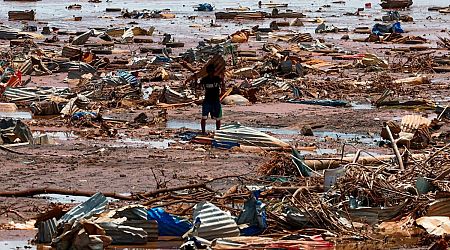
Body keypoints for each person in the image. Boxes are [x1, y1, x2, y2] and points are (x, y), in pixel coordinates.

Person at [200, 63, 225, 134]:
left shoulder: (217, 79)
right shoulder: (204, 80)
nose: (211, 73)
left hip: (216, 100)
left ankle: (218, 132)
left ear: (214, 72)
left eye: (212, 71)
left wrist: (223, 79)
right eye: (210, 71)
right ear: (208, 72)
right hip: (207, 100)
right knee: (204, 117)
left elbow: (223, 88)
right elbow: (199, 86)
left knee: (218, 118)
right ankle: (203, 132)